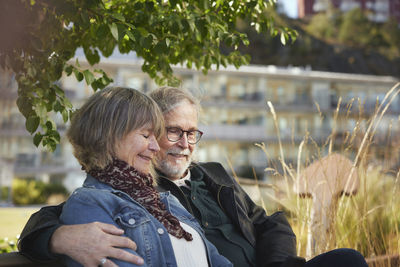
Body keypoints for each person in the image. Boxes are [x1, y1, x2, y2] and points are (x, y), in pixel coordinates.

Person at [18, 87, 367, 267]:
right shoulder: (131, 192)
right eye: (171, 132)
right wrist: (56, 238)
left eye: (192, 133)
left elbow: (271, 222)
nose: (183, 144)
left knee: (347, 260)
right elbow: (59, 215)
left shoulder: (206, 178)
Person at [45, 86, 231, 267]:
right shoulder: (90, 202)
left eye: (156, 136)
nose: (155, 147)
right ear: (110, 136)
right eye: (146, 135)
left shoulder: (162, 199)